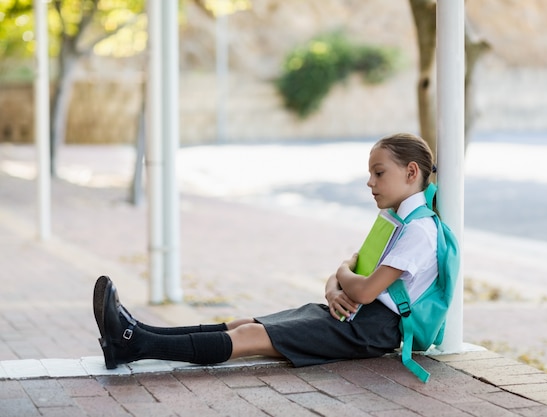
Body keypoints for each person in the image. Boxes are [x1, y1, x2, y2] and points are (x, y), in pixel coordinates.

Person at [93, 132, 438, 370]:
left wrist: (343, 274)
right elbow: (348, 277)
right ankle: (136, 332)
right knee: (245, 323)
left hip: (370, 330)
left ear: (411, 172)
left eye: (379, 173)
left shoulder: (420, 231)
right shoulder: (396, 221)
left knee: (250, 337)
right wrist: (335, 288)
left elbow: (360, 286)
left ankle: (134, 343)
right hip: (354, 316)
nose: (370, 182)